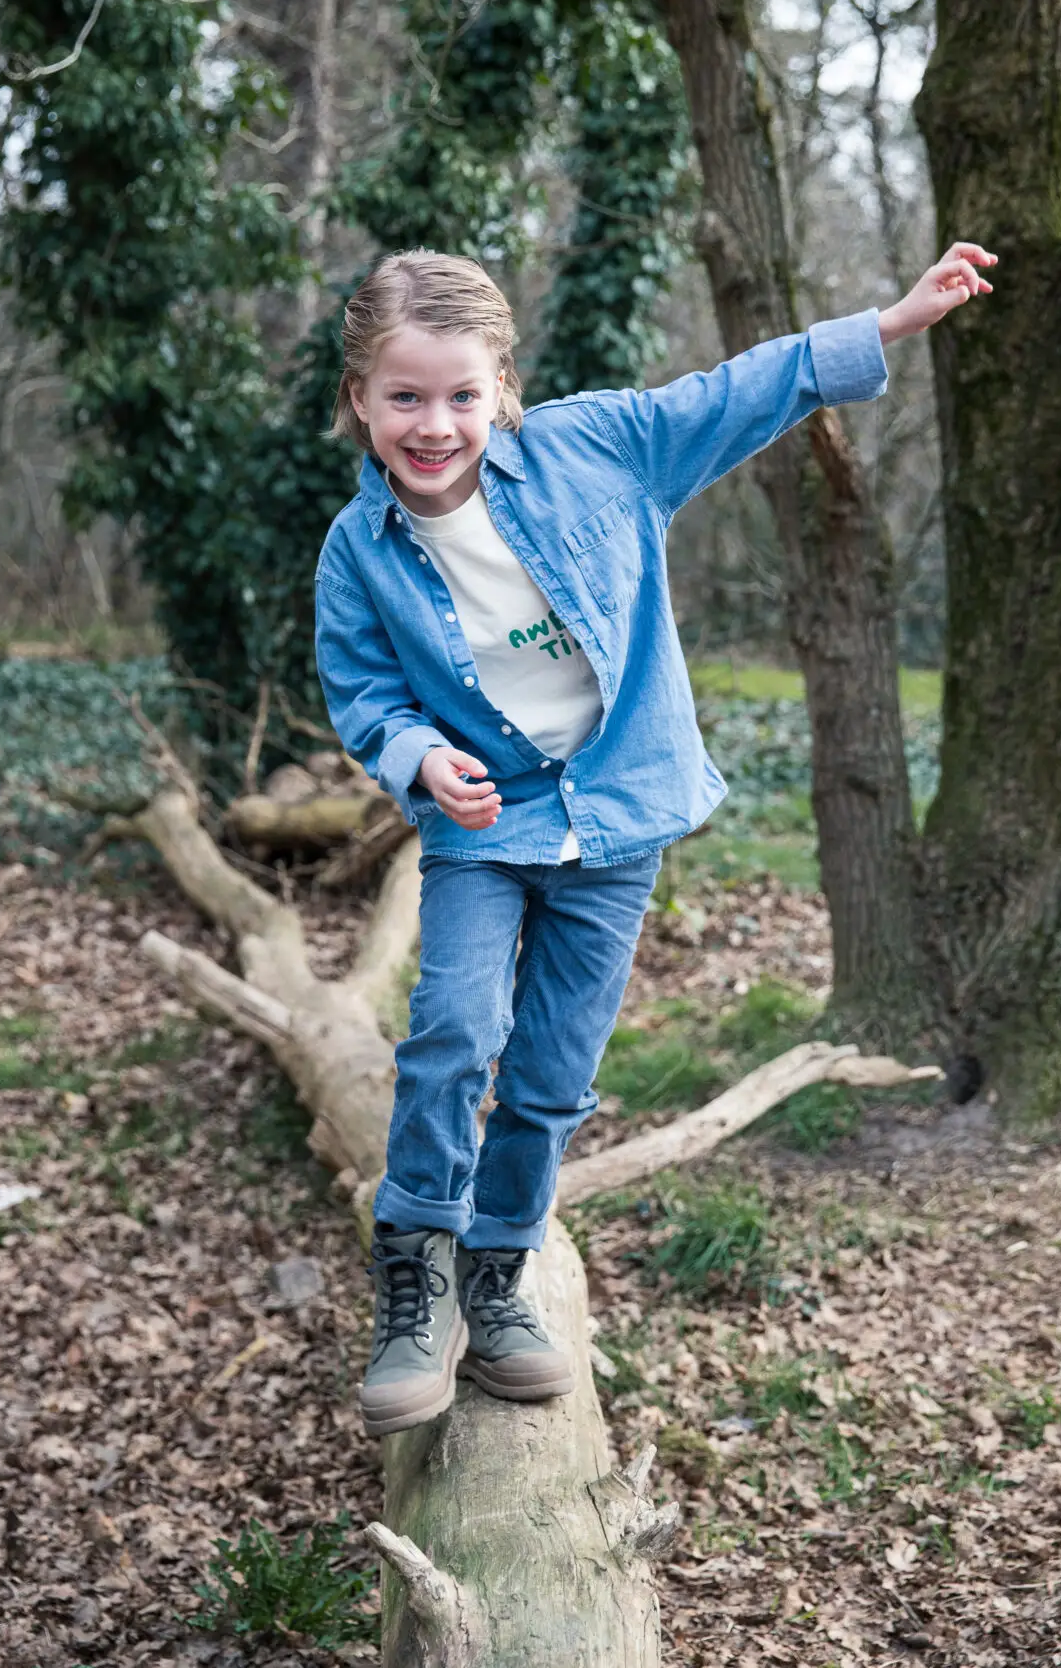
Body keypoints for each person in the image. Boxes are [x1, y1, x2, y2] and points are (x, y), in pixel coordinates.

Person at [314, 240, 996, 1437]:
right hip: (485, 827)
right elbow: (363, 692)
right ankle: (415, 1277)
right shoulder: (355, 554)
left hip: (618, 817)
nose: (435, 425)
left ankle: (499, 1275)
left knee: (552, 1075)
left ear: (503, 389)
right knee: (456, 1030)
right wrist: (419, 756)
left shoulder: (598, 448)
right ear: (359, 399)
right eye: (405, 397)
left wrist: (890, 322)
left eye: (462, 395)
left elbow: (739, 387)